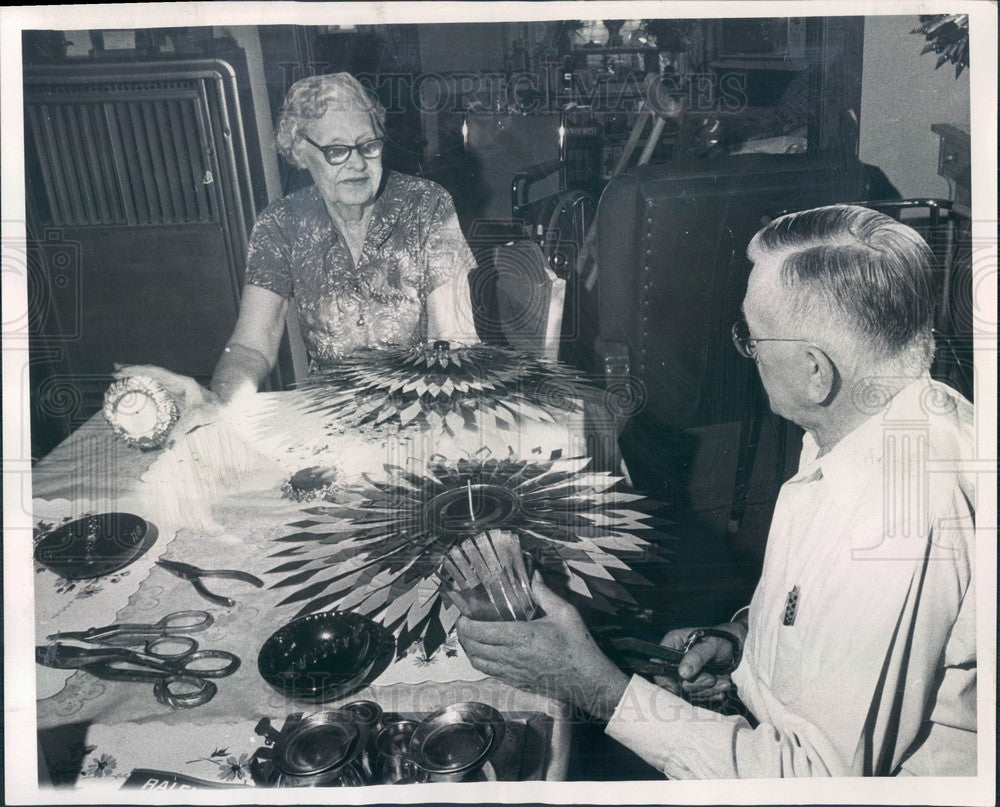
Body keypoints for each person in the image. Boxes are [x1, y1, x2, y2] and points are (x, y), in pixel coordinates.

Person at [456, 204, 977, 778]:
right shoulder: (866, 414)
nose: (747, 351)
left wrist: (597, 688)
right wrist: (741, 642)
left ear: (815, 371)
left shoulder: (892, 516)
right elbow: (823, 609)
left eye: (752, 337)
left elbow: (811, 783)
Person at [209, 72, 478, 403]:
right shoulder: (280, 224)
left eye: (368, 146)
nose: (358, 164)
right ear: (299, 152)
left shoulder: (426, 205)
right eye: (336, 150)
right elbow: (253, 344)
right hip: (329, 412)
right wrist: (223, 402)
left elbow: (455, 337)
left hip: (422, 404)